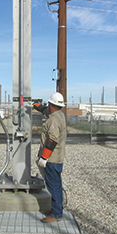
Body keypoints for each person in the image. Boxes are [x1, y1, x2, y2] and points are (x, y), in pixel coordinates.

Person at [34, 92, 67, 223]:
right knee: (54, 185)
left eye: (48, 104)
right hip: (56, 158)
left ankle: (57, 214)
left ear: (51, 104)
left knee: (54, 186)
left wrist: (44, 158)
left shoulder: (54, 120)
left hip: (52, 160)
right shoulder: (58, 115)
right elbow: (45, 110)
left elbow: (52, 140)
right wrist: (35, 105)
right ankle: (55, 209)